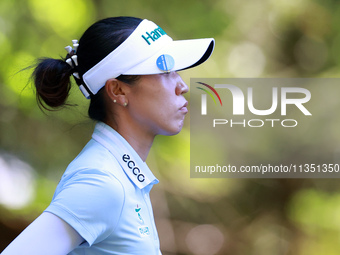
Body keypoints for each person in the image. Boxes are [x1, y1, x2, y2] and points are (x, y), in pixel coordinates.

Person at [1, 16, 214, 255]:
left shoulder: (119, 177)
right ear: (118, 90)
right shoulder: (103, 182)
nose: (181, 85)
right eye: (164, 70)